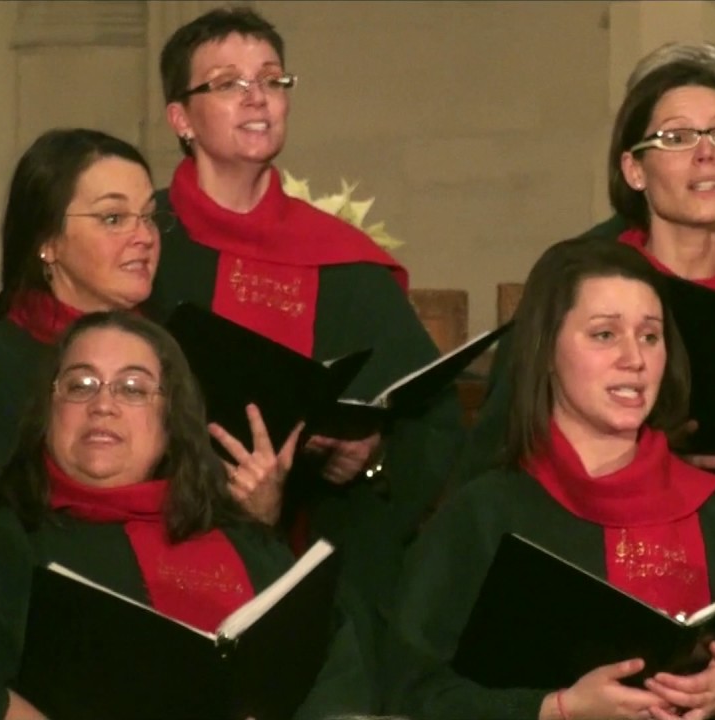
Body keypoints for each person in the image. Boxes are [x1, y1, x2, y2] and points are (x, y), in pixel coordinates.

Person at [456, 59, 715, 569]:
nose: (706, 155)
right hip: (602, 558)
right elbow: (508, 448)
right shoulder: (585, 292)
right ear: (634, 170)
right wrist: (642, 459)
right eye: (677, 139)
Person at [382, 237, 715, 720]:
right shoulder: (484, 515)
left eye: (650, 336)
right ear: (545, 350)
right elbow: (411, 692)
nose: (634, 358)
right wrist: (556, 710)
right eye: (604, 334)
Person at [147, 6, 464, 622]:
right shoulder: (144, 244)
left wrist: (370, 454)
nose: (256, 98)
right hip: (165, 542)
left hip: (325, 558)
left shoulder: (341, 260)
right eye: (228, 83)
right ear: (181, 118)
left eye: (271, 79)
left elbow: (434, 417)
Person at [0, 311, 371, 719]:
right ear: (48, 410)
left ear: (169, 422)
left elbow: (334, 668)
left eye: (132, 388)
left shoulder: (243, 539)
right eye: (81, 384)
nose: (103, 405)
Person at [0, 129, 168, 486]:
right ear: (48, 241)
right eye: (113, 218)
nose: (144, 237)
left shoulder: (170, 354)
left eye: (149, 216)